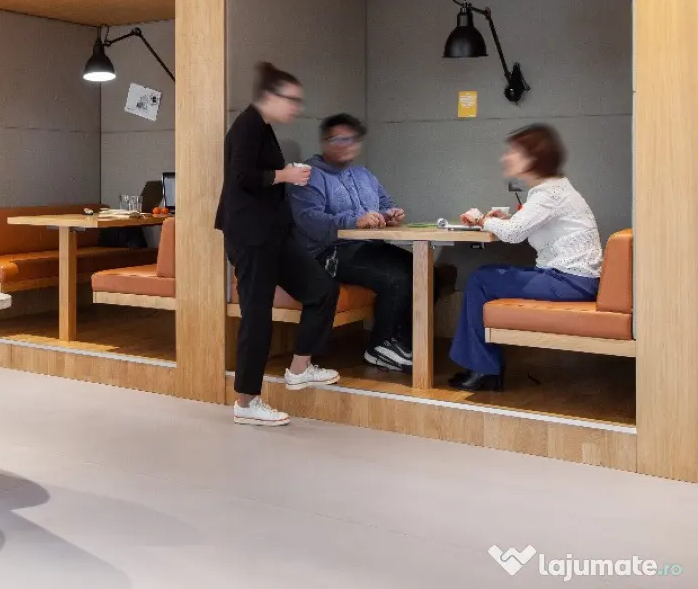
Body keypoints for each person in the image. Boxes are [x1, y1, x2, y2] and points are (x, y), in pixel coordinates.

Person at [216, 62, 340, 427]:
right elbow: (241, 176)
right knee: (257, 316)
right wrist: (286, 174)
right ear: (270, 96)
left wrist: (286, 176)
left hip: (273, 234)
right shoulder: (247, 125)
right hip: (251, 236)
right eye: (291, 100)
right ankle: (246, 401)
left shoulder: (263, 127)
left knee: (321, 288)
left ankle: (300, 368)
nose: (296, 108)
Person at [448, 124, 602, 391]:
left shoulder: (547, 193)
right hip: (577, 279)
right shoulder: (555, 188)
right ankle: (484, 367)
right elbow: (529, 224)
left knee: (481, 279)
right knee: (485, 277)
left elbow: (514, 234)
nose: (506, 157)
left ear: (533, 157)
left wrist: (481, 219)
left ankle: (484, 370)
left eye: (514, 151)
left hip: (570, 281)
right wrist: (506, 218)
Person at [289, 113, 419, 372]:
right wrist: (354, 220)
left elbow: (385, 203)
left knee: (423, 271)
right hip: (328, 253)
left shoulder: (363, 174)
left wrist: (390, 214)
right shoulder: (308, 175)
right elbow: (309, 221)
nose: (347, 145)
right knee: (396, 276)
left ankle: (400, 342)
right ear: (325, 142)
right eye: (340, 139)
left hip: (366, 247)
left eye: (352, 139)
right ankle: (379, 346)